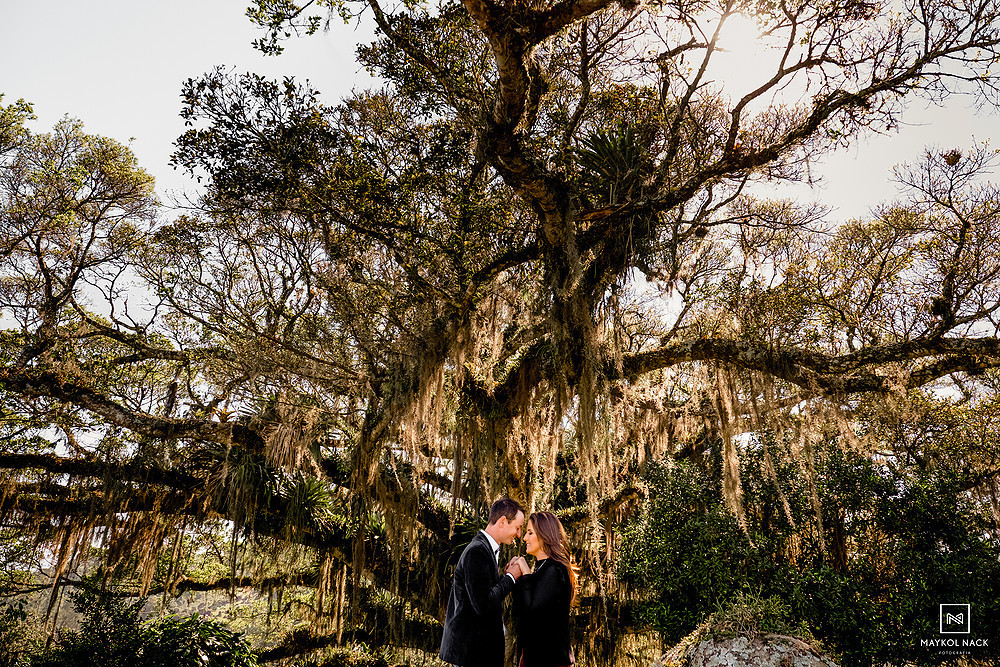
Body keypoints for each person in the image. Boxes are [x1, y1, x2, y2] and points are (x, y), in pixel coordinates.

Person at [440, 497, 528, 667]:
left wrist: (504, 577)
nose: (518, 534)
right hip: (471, 655)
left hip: (477, 653)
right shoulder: (477, 551)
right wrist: (510, 578)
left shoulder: (485, 549)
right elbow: (483, 603)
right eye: (517, 528)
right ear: (502, 521)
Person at [512, 511, 576, 667]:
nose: (525, 538)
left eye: (530, 533)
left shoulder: (555, 570)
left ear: (544, 535)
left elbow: (531, 613)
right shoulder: (542, 570)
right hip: (533, 658)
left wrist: (526, 573)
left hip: (550, 660)